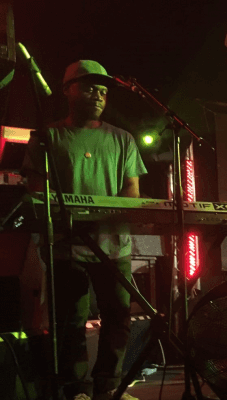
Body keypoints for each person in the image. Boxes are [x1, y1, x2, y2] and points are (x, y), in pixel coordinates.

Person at [22, 60, 147, 400]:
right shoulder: (47, 137)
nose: (99, 95)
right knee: (70, 322)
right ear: (67, 90)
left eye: (103, 90)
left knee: (118, 318)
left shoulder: (123, 139)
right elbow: (36, 191)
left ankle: (109, 387)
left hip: (114, 246)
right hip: (67, 247)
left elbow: (132, 192)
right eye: (90, 88)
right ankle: (77, 390)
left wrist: (105, 216)